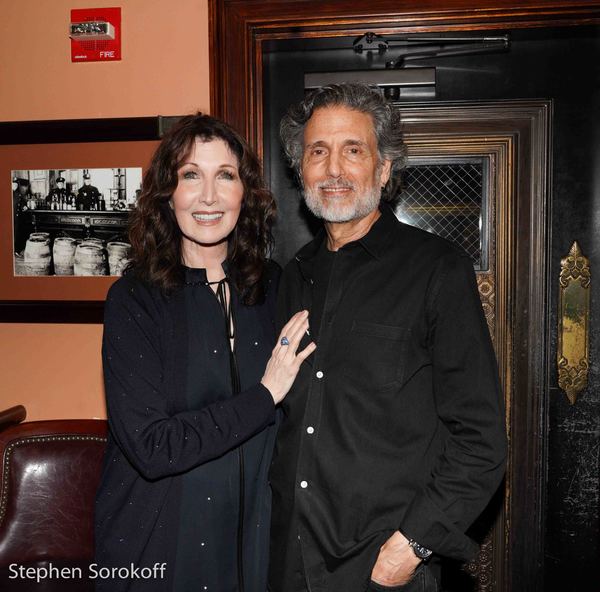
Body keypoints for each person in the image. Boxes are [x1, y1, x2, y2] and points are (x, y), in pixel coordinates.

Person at [269, 83, 507, 592]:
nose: (333, 169)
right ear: (300, 169)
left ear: (383, 168)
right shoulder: (291, 278)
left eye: (353, 151)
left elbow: (480, 439)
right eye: (318, 151)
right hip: (288, 560)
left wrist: (412, 546)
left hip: (380, 569)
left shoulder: (437, 270)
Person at [94, 113, 315, 592]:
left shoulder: (276, 288)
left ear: (245, 193)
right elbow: (153, 447)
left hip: (253, 550)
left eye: (225, 176)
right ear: (166, 194)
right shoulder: (134, 300)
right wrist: (264, 396)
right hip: (158, 550)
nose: (209, 196)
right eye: (190, 175)